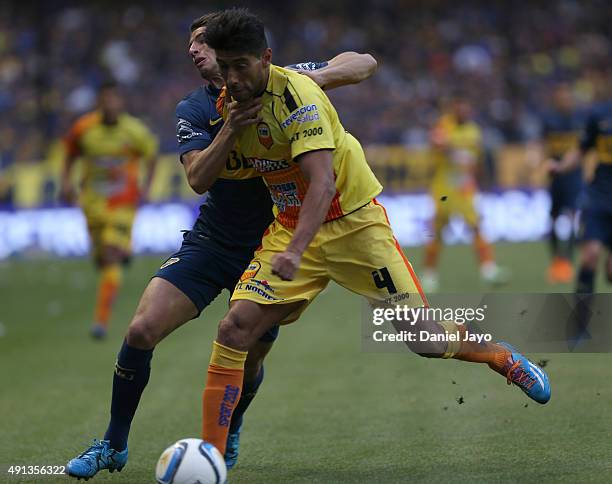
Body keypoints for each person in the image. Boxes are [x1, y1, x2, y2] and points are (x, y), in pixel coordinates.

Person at [199, 8, 550, 459]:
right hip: (289, 228)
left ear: (265, 59)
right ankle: (210, 451)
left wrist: (328, 74)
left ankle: (500, 355)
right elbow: (204, 177)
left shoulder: (297, 97)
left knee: (423, 339)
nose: (232, 77)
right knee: (235, 328)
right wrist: (229, 129)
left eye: (241, 66)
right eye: (225, 67)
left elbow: (323, 184)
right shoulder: (229, 104)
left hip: (353, 226)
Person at [65, 12, 378, 480]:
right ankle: (112, 444)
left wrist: (311, 78)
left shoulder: (283, 83)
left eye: (202, 42)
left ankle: (230, 427)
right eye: (189, 45)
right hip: (214, 241)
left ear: (232, 50)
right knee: (140, 330)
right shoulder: (193, 109)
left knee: (247, 358)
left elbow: (365, 61)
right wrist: (230, 127)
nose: (193, 50)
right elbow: (196, 178)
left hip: (270, 245)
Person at [60, 81, 158, 339]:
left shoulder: (134, 131)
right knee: (101, 259)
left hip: (123, 205)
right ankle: (122, 250)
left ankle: (100, 322)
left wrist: (146, 187)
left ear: (120, 102)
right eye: (105, 100)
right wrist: (66, 183)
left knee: (111, 256)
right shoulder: (84, 128)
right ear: (99, 103)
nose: (110, 105)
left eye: (114, 100)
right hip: (92, 204)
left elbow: (151, 154)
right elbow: (70, 153)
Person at [421, 95, 509, 292]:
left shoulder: (473, 130)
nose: (463, 110)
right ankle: (429, 274)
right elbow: (437, 143)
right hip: (443, 188)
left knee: (476, 226)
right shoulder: (444, 124)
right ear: (454, 107)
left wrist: (479, 180)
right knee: (437, 232)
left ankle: (488, 270)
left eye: (466, 107)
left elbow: (475, 159)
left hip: (465, 188)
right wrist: (455, 150)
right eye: (460, 106)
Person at [550, 99, 612, 294]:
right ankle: (581, 319)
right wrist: (560, 167)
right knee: (590, 255)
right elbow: (580, 151)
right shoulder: (600, 115)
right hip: (599, 196)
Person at [537, 82, 584, 283]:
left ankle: (569, 260)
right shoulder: (549, 120)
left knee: (574, 216)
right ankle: (557, 259)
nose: (564, 101)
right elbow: (541, 144)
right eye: (561, 97)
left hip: (574, 176)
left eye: (567, 97)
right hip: (555, 178)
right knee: (555, 217)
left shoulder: (580, 120)